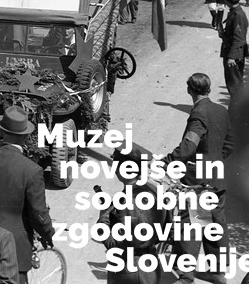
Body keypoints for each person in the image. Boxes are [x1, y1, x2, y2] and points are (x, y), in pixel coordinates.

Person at [0, 106, 55, 284]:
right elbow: (38, 213)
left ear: (2, 131)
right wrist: (47, 233)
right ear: (26, 136)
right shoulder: (32, 170)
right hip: (14, 249)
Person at [164, 73, 234, 284]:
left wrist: (168, 161)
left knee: (191, 224)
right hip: (218, 177)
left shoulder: (199, 114)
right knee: (216, 224)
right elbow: (230, 144)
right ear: (209, 89)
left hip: (200, 182)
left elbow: (188, 146)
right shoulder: (221, 110)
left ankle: (185, 277)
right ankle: (217, 272)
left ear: (189, 90)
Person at [97, 143, 163, 284]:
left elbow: (117, 245)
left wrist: (103, 218)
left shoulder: (129, 201)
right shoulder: (154, 190)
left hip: (130, 272)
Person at [218, 0, 249, 103]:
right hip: (233, 52)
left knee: (234, 85)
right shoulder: (235, 12)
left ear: (227, 1)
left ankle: (238, 114)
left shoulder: (238, 15)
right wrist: (223, 34)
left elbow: (239, 39)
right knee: (235, 83)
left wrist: (231, 57)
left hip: (234, 55)